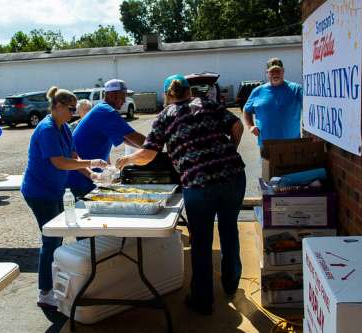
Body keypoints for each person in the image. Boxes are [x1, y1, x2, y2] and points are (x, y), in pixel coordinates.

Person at [116, 74, 246, 315]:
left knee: (202, 242)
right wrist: (229, 151)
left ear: (168, 94)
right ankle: (230, 284)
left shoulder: (165, 116)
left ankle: (203, 300)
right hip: (233, 176)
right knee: (229, 229)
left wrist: (127, 160)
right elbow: (237, 126)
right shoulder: (207, 103)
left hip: (199, 184)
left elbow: (148, 154)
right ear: (189, 90)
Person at [20, 86, 108, 309]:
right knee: (51, 238)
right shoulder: (47, 129)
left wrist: (91, 175)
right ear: (57, 107)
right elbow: (59, 162)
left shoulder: (64, 127)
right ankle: (45, 292)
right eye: (70, 109)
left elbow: (72, 156)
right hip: (39, 192)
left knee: (57, 237)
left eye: (74, 109)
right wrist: (92, 163)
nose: (73, 113)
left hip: (54, 189)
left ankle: (53, 285)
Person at [68, 79, 146, 198]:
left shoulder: (103, 109)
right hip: (80, 177)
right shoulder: (106, 112)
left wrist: (148, 150)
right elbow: (136, 138)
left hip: (88, 175)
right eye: (122, 96)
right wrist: (154, 147)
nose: (125, 100)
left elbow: (126, 138)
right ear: (111, 95)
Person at [243, 57, 303, 150]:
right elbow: (247, 110)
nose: (275, 74)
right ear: (267, 73)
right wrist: (250, 126)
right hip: (266, 145)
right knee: (267, 165)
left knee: (293, 165)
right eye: (272, 71)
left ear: (283, 71)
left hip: (292, 144)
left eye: (278, 71)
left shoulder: (296, 89)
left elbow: (310, 106)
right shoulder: (257, 91)